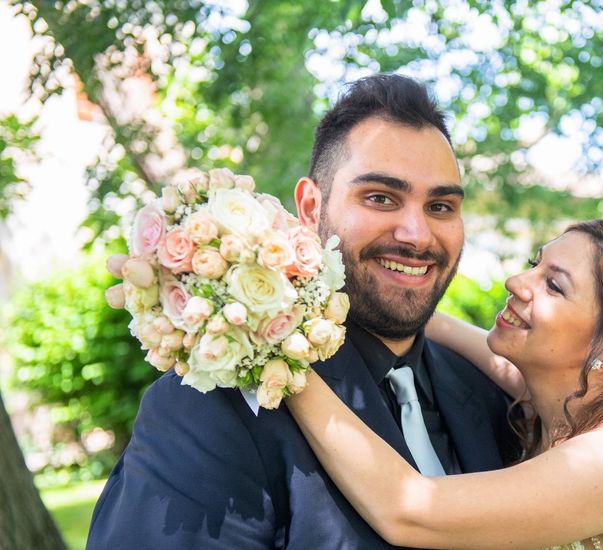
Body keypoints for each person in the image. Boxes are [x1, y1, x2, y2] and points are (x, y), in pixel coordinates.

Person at [87, 74, 519, 548]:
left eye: (440, 206)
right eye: (380, 198)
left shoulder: (492, 396)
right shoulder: (210, 410)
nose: (416, 235)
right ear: (310, 208)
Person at [286, 220, 603, 549]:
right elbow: (470, 343)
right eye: (535, 264)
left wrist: (279, 352)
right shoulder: (569, 406)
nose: (516, 283)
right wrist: (344, 287)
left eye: (554, 285)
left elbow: (409, 509)